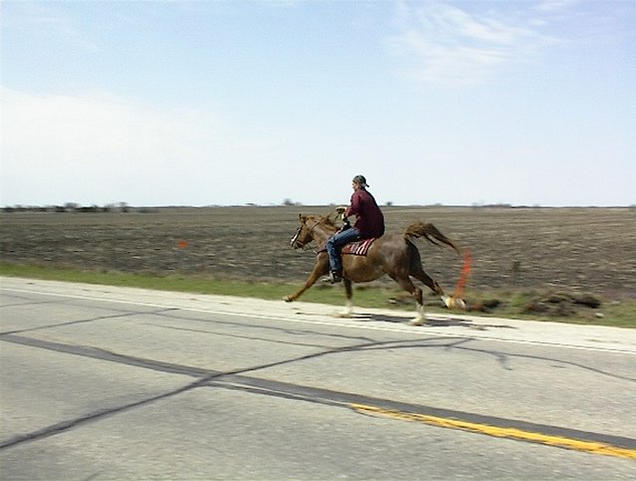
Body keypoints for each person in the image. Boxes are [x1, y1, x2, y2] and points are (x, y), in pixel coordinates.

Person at [326, 175, 385, 283]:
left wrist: (345, 214)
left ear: (357, 184)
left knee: (331, 243)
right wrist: (347, 208)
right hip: (378, 229)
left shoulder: (356, 194)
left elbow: (356, 207)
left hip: (363, 229)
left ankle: (335, 271)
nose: (352, 186)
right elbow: (358, 207)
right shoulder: (368, 195)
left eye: (353, 184)